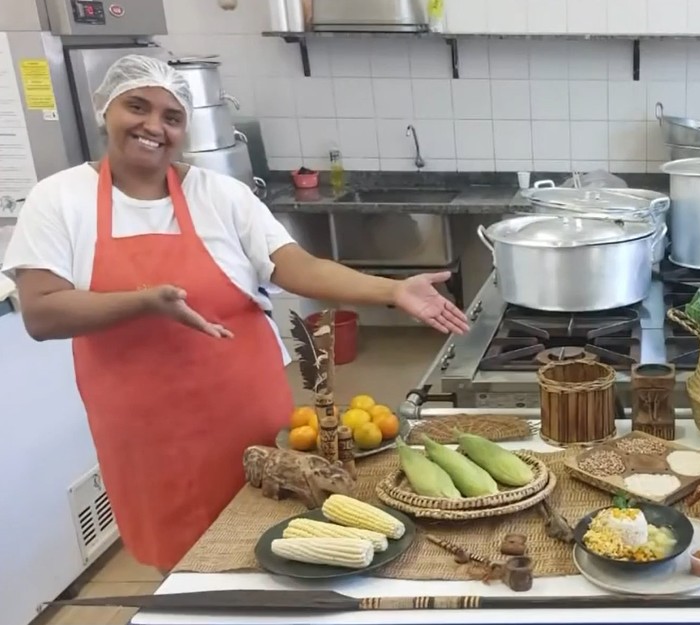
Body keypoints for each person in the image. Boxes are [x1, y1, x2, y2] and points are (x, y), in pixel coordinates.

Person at [0, 55, 469, 572]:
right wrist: (144, 300)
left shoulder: (219, 195)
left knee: (279, 538)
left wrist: (393, 290)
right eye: (138, 107)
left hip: (245, 413)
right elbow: (42, 314)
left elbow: (295, 267)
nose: (154, 126)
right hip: (143, 430)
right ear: (105, 110)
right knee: (182, 563)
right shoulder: (60, 199)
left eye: (172, 116)